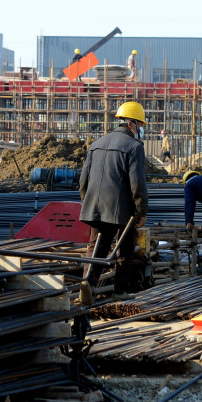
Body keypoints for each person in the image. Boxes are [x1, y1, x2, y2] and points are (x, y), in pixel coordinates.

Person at [78, 101, 149, 304]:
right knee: (124, 249)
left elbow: (83, 180)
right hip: (120, 210)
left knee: (95, 247)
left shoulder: (96, 144)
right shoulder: (134, 147)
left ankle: (88, 284)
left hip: (95, 207)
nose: (140, 130)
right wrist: (141, 210)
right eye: (140, 126)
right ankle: (120, 291)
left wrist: (88, 203)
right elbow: (137, 184)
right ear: (131, 124)